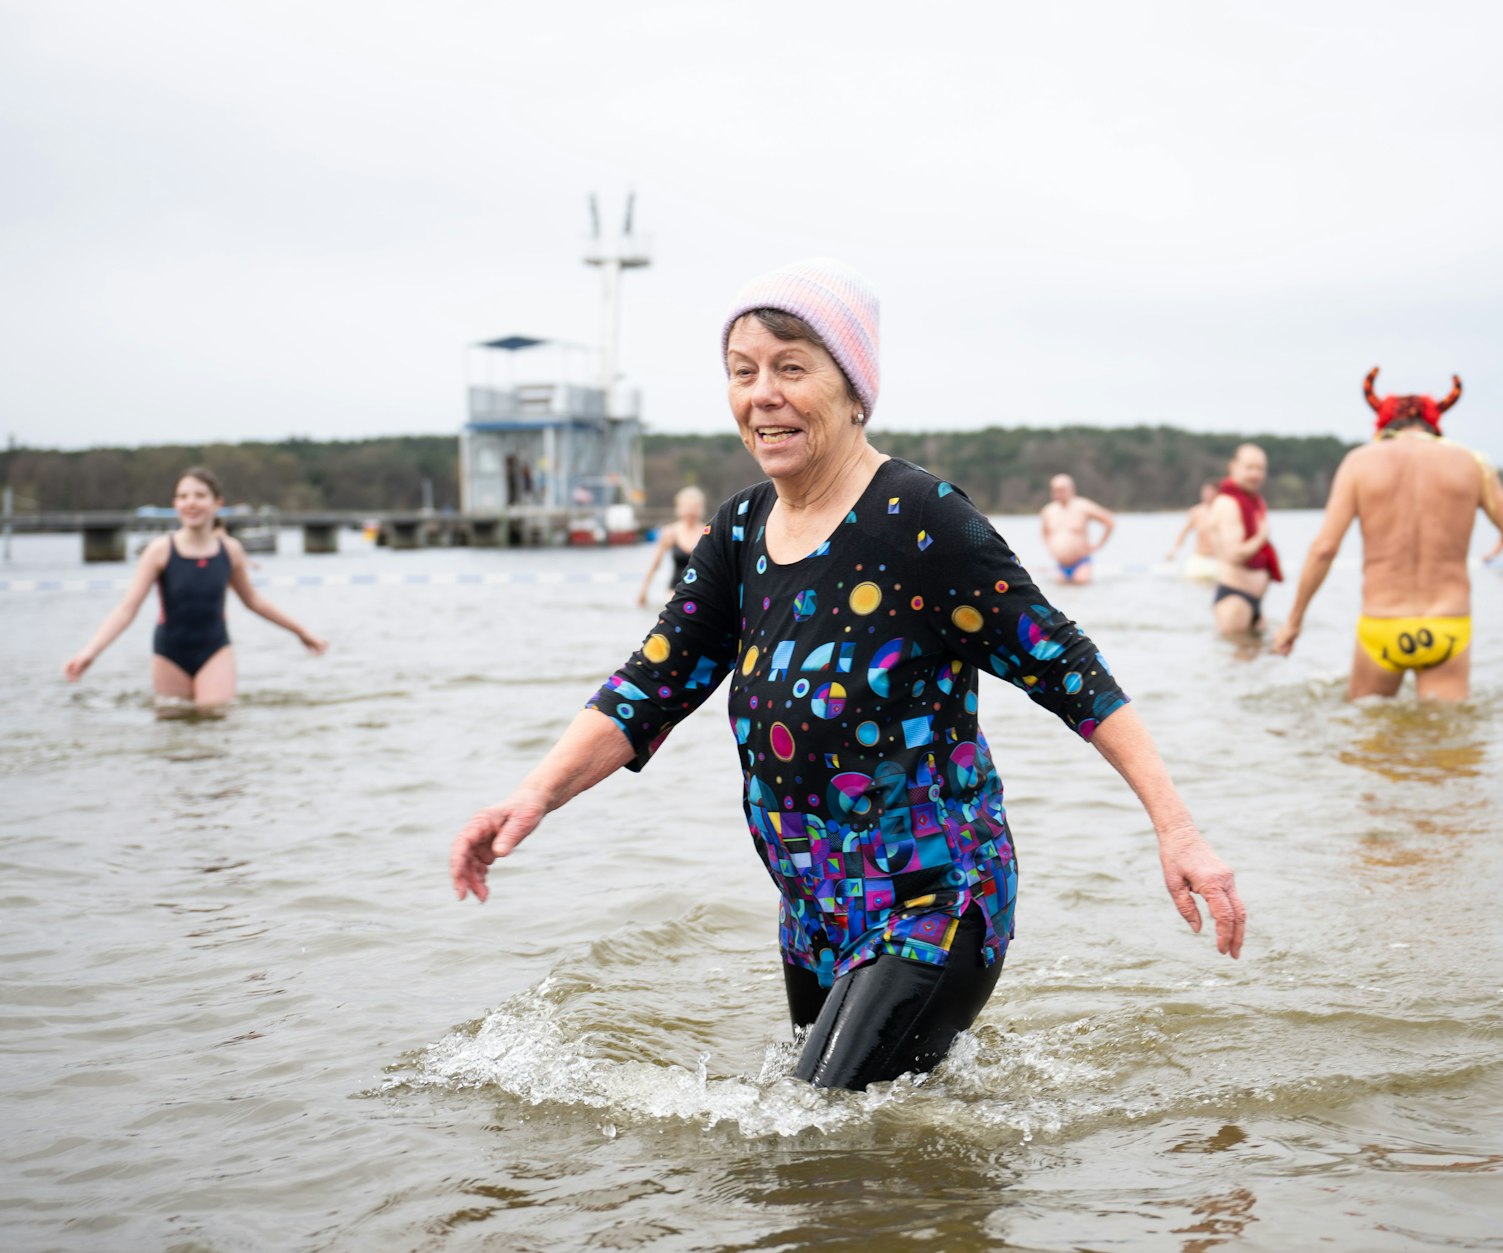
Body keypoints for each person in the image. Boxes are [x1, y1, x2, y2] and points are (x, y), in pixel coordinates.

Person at [449, 259, 1246, 1092]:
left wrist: (1177, 827)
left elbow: (1066, 666)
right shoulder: (740, 531)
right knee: (840, 1169)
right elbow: (650, 685)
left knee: (814, 1128)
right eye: (744, 371)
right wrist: (532, 794)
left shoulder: (920, 519)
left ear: (854, 388)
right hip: (814, 916)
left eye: (792, 367)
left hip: (933, 901)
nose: (764, 393)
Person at [1272, 368, 1503, 701]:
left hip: (1383, 622)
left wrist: (1294, 621)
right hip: (1448, 623)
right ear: (1435, 425)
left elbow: (1324, 549)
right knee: (1449, 746)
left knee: (1368, 743)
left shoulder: (1359, 462)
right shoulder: (1471, 463)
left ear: (1382, 425)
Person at [62, 467, 328, 712]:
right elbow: (126, 610)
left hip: (214, 649)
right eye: (183, 496)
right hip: (169, 652)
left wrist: (302, 632)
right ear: (175, 504)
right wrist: (89, 653)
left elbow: (254, 601)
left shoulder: (230, 550)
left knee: (214, 718)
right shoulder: (160, 550)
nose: (191, 502)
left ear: (217, 504)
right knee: (174, 728)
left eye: (200, 495)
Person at [1206, 444, 1284, 637]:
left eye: (1260, 468)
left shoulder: (1254, 501)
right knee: (1236, 661)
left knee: (1256, 664)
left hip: (1253, 600)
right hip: (1235, 598)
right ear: (1233, 467)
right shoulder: (1228, 504)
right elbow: (1235, 554)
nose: (1256, 474)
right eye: (1249, 467)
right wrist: (1261, 536)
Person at [635, 485, 709, 607]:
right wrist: (644, 591)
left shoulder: (707, 532)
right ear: (679, 508)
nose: (690, 511)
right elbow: (655, 564)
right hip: (674, 590)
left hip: (702, 590)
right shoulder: (670, 533)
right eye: (687, 507)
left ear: (701, 508)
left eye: (694, 507)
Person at [1039, 473, 1114, 584]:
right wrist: (1050, 547)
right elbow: (1044, 532)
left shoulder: (1083, 506)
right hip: (1060, 564)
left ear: (1071, 489)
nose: (1059, 493)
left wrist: (1099, 545)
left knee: (1081, 585)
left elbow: (1109, 522)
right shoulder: (1048, 510)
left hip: (1081, 562)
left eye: (1062, 489)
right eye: (1055, 490)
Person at [1165, 482, 1220, 584]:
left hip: (1218, 560)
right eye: (1205, 492)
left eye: (1211, 492)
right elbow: (1184, 533)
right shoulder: (1196, 511)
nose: (1207, 495)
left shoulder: (1224, 511)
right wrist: (1174, 550)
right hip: (1200, 558)